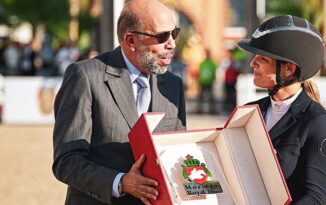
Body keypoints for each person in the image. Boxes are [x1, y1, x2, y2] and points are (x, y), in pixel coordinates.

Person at [52, 1, 186, 205]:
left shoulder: (173, 85)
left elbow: (178, 152)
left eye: (174, 34)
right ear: (131, 40)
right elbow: (67, 162)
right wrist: (121, 182)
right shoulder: (85, 76)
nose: (172, 44)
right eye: (162, 36)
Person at [237, 15, 326, 204]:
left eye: (262, 59)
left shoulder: (317, 123)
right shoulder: (247, 112)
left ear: (289, 70)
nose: (252, 64)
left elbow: (315, 198)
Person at [197, 49, 217, 114]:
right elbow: (199, 73)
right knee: (201, 97)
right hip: (203, 82)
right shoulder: (202, 63)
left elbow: (214, 73)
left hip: (209, 82)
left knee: (211, 97)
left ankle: (212, 110)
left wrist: (213, 79)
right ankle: (200, 110)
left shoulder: (212, 64)